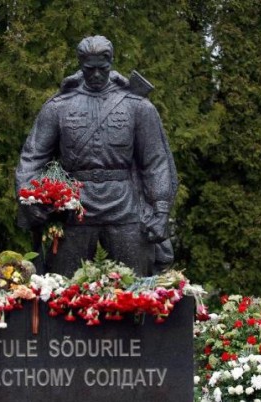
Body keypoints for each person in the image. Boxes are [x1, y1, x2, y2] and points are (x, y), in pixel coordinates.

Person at [15, 36, 177, 277]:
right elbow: (32, 158)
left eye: (102, 68)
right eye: (90, 69)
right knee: (61, 287)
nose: (97, 75)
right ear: (81, 65)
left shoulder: (137, 106)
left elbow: (156, 162)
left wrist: (161, 211)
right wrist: (28, 198)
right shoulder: (59, 106)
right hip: (74, 209)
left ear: (110, 62)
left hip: (125, 206)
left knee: (137, 288)